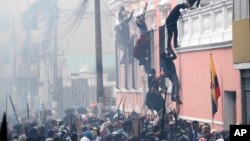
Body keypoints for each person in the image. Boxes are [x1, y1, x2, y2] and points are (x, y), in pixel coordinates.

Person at [133, 3, 151, 74]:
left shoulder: (142, 20)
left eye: (141, 18)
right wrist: (137, 19)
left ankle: (143, 61)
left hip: (145, 34)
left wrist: (146, 6)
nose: (141, 19)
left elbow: (144, 13)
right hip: (143, 35)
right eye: (140, 18)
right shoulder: (139, 24)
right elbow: (136, 21)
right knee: (145, 40)